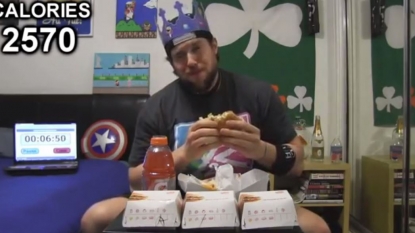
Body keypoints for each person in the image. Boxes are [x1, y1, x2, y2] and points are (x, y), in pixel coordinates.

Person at [80, 1, 331, 233]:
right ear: (171, 63)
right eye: (179, 56)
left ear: (213, 46)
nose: (190, 61)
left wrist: (260, 149)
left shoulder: (257, 94)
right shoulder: (157, 107)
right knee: (94, 216)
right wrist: (184, 155)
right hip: (178, 204)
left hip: (246, 204)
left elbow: (297, 162)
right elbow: (135, 178)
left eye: (196, 49)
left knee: (318, 227)